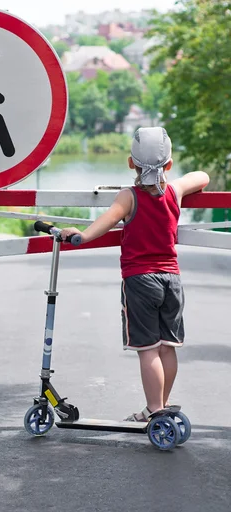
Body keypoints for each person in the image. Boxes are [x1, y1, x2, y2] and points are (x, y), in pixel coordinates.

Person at [60, 127, 210, 421]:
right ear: (169, 165)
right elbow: (202, 176)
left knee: (148, 350)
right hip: (172, 280)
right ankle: (159, 407)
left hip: (140, 281)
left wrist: (83, 235)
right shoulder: (175, 191)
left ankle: (155, 409)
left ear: (131, 163)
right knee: (167, 347)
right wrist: (173, 177)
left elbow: (106, 220)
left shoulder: (129, 197)